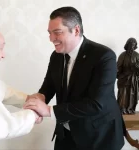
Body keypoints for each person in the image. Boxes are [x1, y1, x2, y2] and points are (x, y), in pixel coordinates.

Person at [24, 6, 125, 150]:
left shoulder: (104, 56)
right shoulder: (56, 56)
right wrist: (38, 100)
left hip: (99, 137)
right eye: (49, 33)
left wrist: (48, 110)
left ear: (76, 30)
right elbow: (48, 87)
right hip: (66, 135)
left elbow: (96, 104)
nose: (51, 39)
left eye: (57, 32)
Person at [117, 37, 139, 114]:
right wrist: (119, 75)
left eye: (133, 45)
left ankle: (131, 108)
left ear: (135, 46)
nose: (131, 47)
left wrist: (137, 68)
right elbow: (118, 67)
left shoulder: (137, 55)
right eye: (130, 45)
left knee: (132, 94)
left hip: (134, 79)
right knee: (124, 94)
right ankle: (122, 109)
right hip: (124, 78)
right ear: (127, 45)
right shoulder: (122, 55)